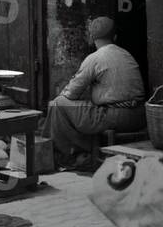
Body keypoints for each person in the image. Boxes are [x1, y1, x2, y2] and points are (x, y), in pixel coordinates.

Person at [43, 16, 146, 170]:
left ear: (91, 38)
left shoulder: (95, 58)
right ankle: (81, 152)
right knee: (78, 106)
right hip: (139, 116)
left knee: (57, 104)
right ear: (115, 37)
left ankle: (68, 156)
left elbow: (71, 93)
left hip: (116, 117)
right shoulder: (126, 54)